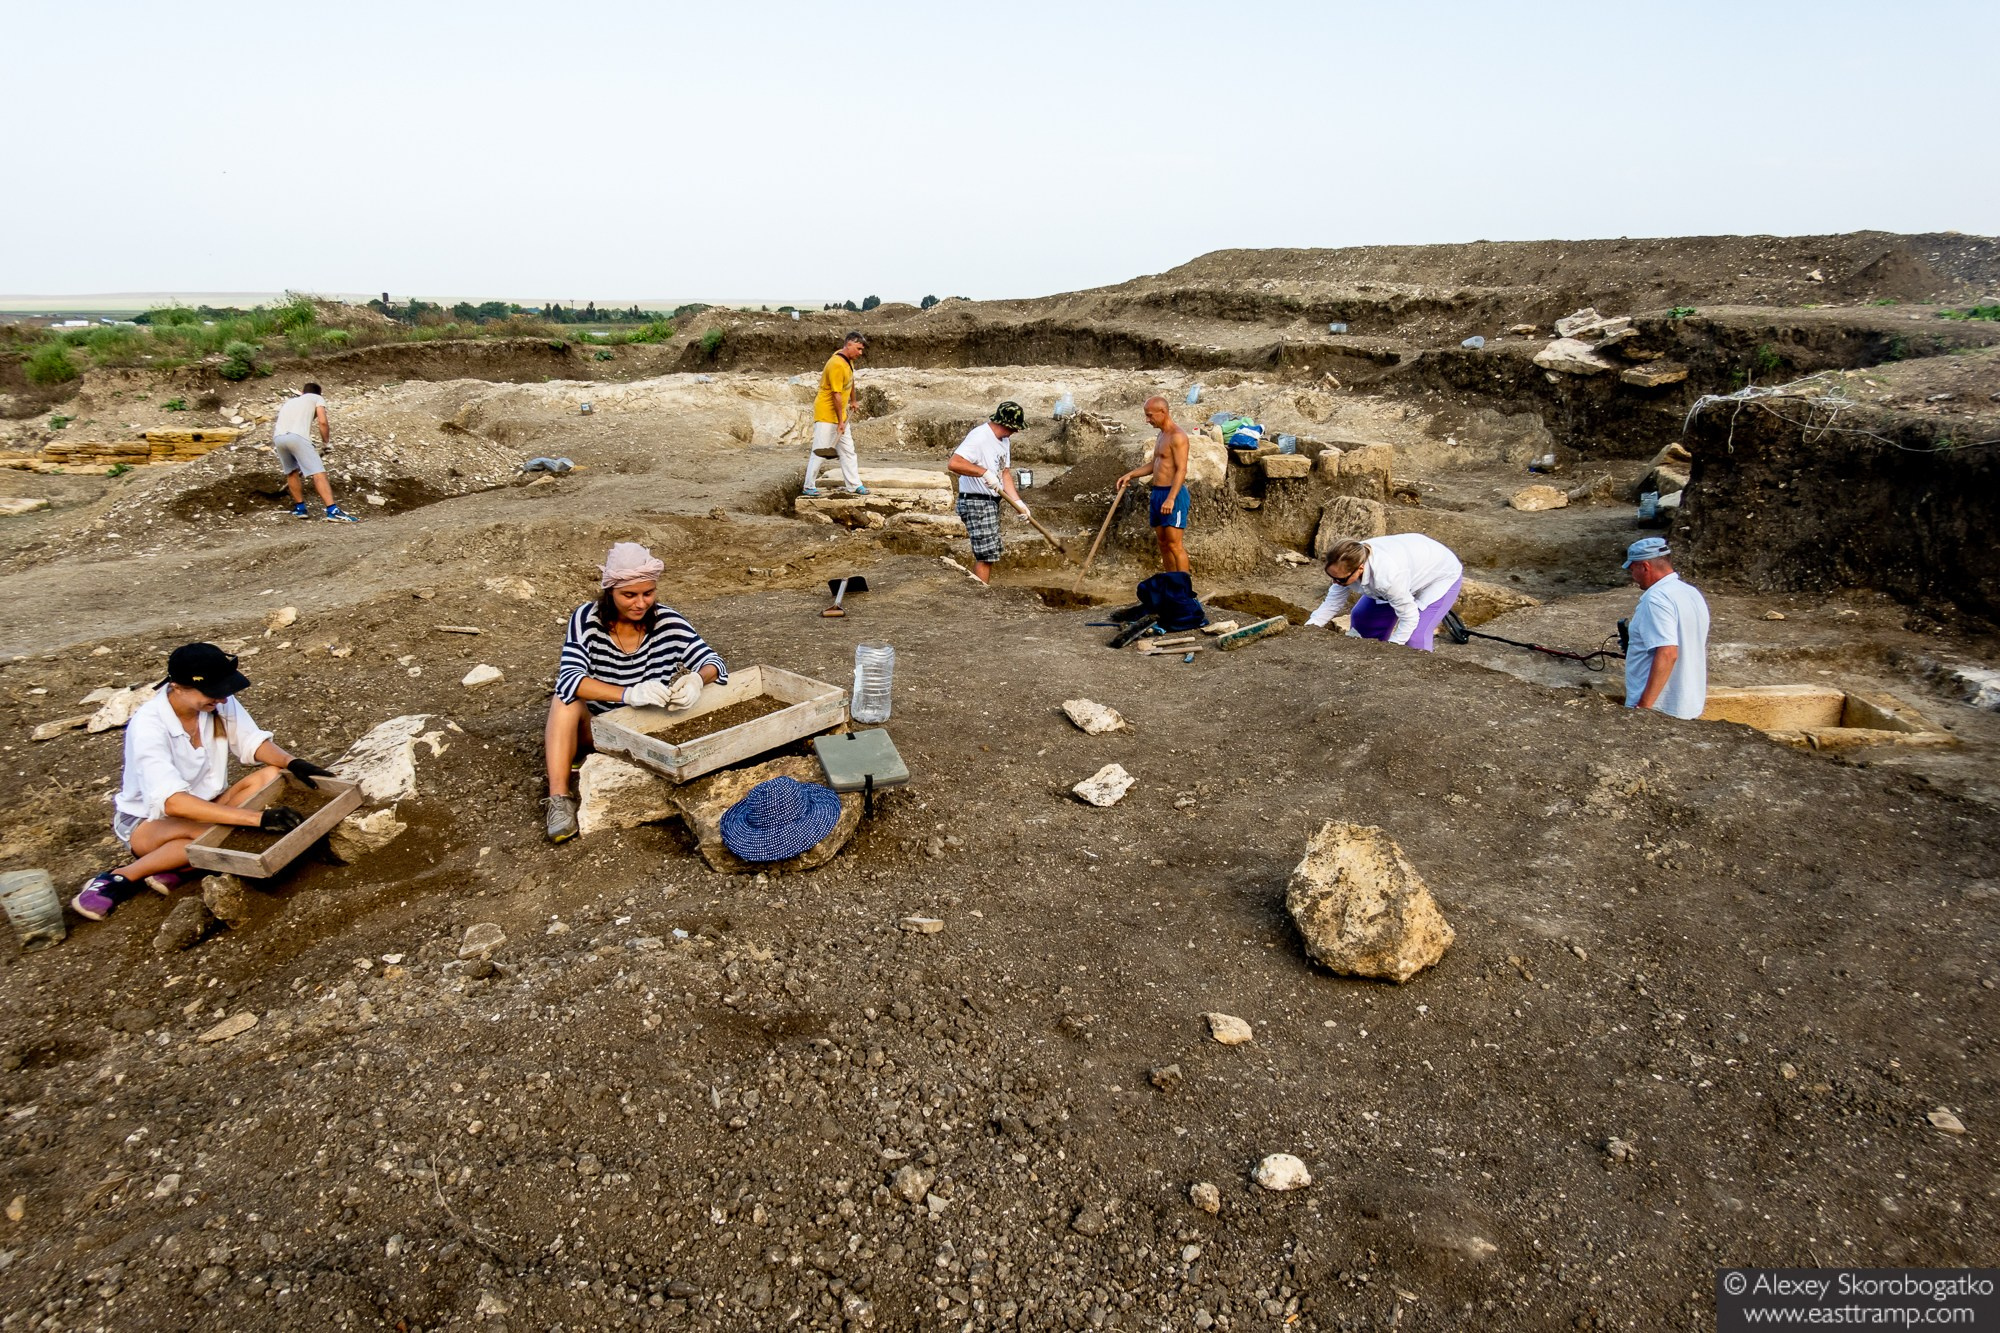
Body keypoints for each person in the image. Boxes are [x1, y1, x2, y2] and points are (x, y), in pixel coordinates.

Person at [72, 643, 335, 921]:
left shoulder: (217, 703)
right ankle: (121, 876)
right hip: (149, 822)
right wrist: (258, 819)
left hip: (205, 806)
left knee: (272, 774)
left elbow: (251, 741)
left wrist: (292, 763)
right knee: (221, 835)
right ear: (177, 687)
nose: (222, 698)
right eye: (212, 692)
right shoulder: (149, 725)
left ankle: (176, 867)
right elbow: (173, 803)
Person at [543, 542, 730, 843]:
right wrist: (628, 693)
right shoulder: (587, 620)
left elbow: (714, 662)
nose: (640, 603)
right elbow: (570, 679)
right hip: (599, 728)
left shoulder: (667, 621)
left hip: (649, 729)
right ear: (610, 591)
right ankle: (559, 798)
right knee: (564, 701)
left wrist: (697, 678)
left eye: (648, 593)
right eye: (629, 595)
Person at [1307, 533, 1464, 651]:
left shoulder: (1387, 578)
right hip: (1408, 567)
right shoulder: (1347, 559)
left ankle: (1419, 681)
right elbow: (1332, 603)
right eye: (1332, 576)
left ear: (1360, 568)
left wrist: (1391, 649)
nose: (1335, 582)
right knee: (1364, 620)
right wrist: (1308, 630)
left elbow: (1409, 617)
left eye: (1340, 579)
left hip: (1438, 575)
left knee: (1414, 638)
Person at [1621, 536, 1710, 718]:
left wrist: (1643, 708)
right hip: (1689, 705)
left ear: (1645, 566)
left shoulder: (1656, 599)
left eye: (1632, 569)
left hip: (1660, 709)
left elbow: (1668, 653)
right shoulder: (1691, 593)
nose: (1633, 576)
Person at [945, 401, 1034, 584]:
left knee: (990, 552)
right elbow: (954, 463)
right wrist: (983, 472)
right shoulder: (980, 437)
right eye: (1014, 427)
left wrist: (1018, 503)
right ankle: (980, 595)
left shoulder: (1004, 440)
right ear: (1005, 423)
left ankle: (981, 591)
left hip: (991, 503)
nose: (1016, 431)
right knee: (986, 555)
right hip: (976, 502)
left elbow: (1004, 473)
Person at [1114, 396, 1192, 573]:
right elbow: (1155, 464)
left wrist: (1171, 499)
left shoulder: (1178, 436)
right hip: (1158, 493)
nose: (1147, 420)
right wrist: (1131, 474)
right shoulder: (1162, 435)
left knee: (1174, 545)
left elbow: (1181, 470)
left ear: (1163, 412)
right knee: (1163, 544)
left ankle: (1183, 587)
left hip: (1173, 495)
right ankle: (1171, 583)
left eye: (1150, 415)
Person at [271, 381, 360, 523]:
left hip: (279, 438)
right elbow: (322, 422)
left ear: (302, 392)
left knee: (292, 472)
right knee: (318, 472)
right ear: (319, 393)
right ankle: (332, 510)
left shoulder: (290, 402)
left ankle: (300, 508)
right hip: (297, 437)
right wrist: (326, 442)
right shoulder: (317, 398)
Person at [803, 332, 868, 498]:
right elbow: (836, 395)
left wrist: (853, 400)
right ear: (849, 344)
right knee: (820, 451)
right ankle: (808, 486)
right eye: (858, 349)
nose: (860, 353)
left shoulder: (848, 360)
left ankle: (854, 485)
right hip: (826, 414)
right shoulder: (836, 364)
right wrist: (840, 422)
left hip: (840, 414)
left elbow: (850, 380)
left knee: (848, 450)